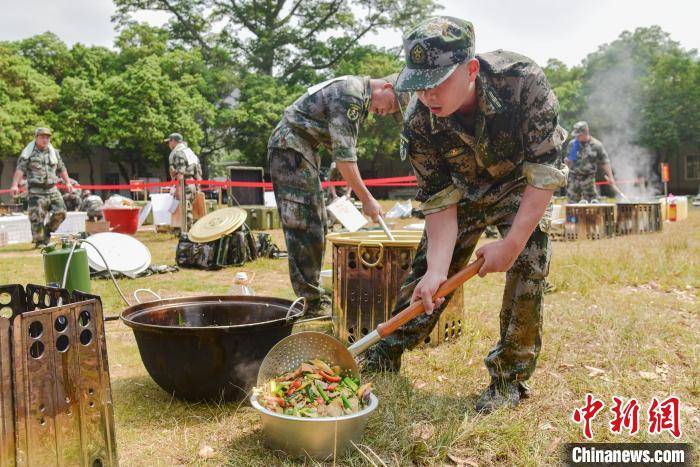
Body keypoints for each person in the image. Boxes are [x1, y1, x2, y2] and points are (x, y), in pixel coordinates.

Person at [362, 17, 569, 414]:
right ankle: (383, 354)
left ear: (471, 69)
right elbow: (439, 201)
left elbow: (544, 170)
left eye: (437, 81)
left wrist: (510, 244)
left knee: (528, 262)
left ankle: (509, 380)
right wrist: (438, 270)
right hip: (464, 194)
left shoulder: (522, 81)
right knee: (425, 280)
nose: (427, 95)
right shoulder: (419, 121)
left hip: (519, 188)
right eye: (418, 84)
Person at [268, 74, 406, 317]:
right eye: (392, 105)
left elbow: (342, 152)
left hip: (301, 149)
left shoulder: (356, 95)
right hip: (290, 148)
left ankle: (312, 296)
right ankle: (310, 303)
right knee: (304, 226)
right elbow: (344, 159)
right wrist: (367, 200)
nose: (385, 113)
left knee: (316, 225)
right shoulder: (352, 96)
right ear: (387, 86)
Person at [9, 128, 74, 248]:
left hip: (52, 188)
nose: (45, 140)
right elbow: (20, 169)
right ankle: (39, 241)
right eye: (42, 137)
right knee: (37, 216)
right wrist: (14, 185)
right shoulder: (28, 153)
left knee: (61, 212)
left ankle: (47, 231)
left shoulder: (53, 152)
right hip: (36, 190)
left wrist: (68, 182)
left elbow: (61, 168)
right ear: (36, 138)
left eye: (47, 137)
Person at [565, 121, 617, 203]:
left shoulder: (597, 145)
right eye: (576, 135)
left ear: (586, 132)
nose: (577, 137)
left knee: (593, 203)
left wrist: (610, 177)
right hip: (574, 179)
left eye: (579, 135)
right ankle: (573, 216)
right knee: (572, 203)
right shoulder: (573, 144)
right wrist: (566, 168)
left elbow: (605, 161)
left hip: (589, 179)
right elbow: (568, 162)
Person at [165, 133, 202, 231]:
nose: (168, 144)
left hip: (184, 184)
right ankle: (189, 232)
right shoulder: (190, 153)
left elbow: (181, 172)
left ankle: (188, 234)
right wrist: (198, 187)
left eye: (169, 141)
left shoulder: (179, 153)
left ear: (174, 141)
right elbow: (198, 172)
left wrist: (178, 188)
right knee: (188, 209)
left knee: (185, 210)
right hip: (192, 184)